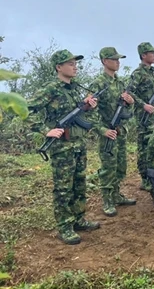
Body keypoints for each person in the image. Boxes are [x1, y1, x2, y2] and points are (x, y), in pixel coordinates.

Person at [26, 50, 100, 245]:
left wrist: (88, 106)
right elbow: (28, 110)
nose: (75, 66)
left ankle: (78, 218)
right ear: (59, 67)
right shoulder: (51, 88)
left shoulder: (74, 88)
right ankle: (64, 226)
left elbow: (79, 115)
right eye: (70, 63)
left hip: (78, 144)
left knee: (79, 184)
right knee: (63, 188)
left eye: (75, 63)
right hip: (62, 147)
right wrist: (45, 130)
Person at [89, 47, 136, 217]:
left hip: (120, 131)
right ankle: (107, 200)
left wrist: (130, 102)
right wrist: (102, 130)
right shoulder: (98, 84)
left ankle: (116, 194)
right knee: (108, 167)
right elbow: (89, 113)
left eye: (118, 59)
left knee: (120, 166)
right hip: (107, 132)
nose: (118, 62)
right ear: (104, 61)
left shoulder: (121, 83)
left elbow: (128, 111)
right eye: (114, 59)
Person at [129, 42, 154, 191]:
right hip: (143, 117)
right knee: (144, 148)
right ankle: (145, 179)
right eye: (151, 53)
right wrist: (143, 104)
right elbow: (129, 92)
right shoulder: (138, 73)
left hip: (153, 117)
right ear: (143, 55)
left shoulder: (151, 73)